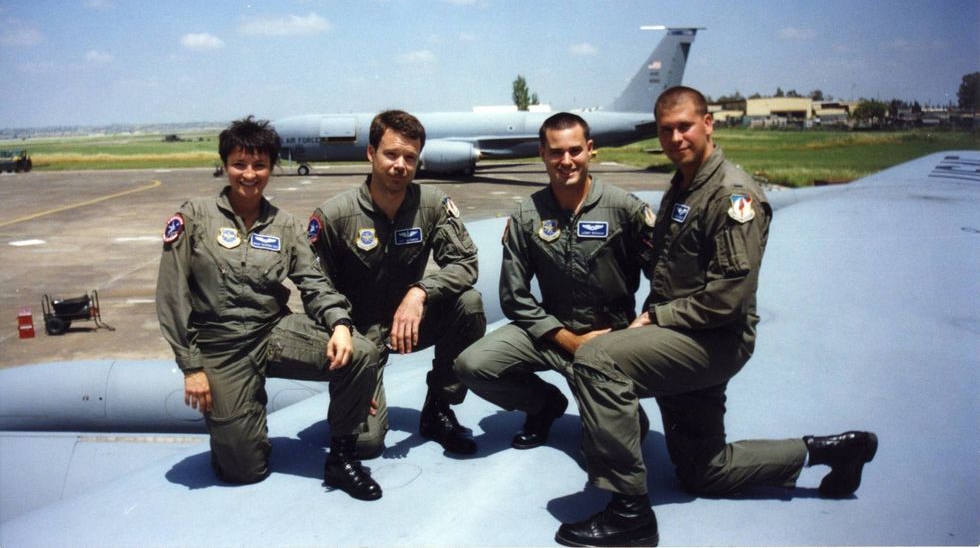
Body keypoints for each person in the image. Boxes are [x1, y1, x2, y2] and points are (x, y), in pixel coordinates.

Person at [555, 86, 879, 547]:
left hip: (713, 337)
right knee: (704, 472)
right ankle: (833, 451)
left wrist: (654, 318)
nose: (675, 137)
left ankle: (630, 512)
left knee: (596, 360)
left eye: (684, 126)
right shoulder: (685, 184)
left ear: (708, 123)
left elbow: (729, 296)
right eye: (666, 129)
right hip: (687, 333)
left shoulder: (731, 194)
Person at [156, 116, 382, 501]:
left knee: (360, 352)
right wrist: (192, 366)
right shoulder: (194, 216)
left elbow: (314, 282)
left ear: (271, 168)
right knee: (244, 471)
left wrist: (340, 323)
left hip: (272, 332)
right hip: (221, 346)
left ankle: (341, 459)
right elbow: (171, 295)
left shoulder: (286, 226)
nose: (249, 174)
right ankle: (238, 425)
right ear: (225, 165)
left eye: (259, 165)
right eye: (239, 164)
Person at [454, 112, 655, 450]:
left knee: (626, 437)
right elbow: (514, 296)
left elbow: (664, 278)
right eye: (556, 152)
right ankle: (544, 404)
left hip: (608, 338)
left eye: (575, 151)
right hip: (550, 332)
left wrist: (641, 326)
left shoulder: (625, 209)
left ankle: (604, 402)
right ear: (542, 154)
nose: (566, 161)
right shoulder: (527, 215)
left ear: (591, 150)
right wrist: (567, 340)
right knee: (472, 365)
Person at [308, 110, 486, 458]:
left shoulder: (431, 205)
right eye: (391, 154)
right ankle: (354, 391)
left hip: (410, 323)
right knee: (366, 445)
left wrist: (420, 292)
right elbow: (315, 285)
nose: (400, 165)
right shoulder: (335, 215)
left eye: (410, 157)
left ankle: (438, 409)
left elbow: (466, 262)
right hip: (357, 335)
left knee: (469, 304)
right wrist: (343, 332)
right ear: (371, 153)